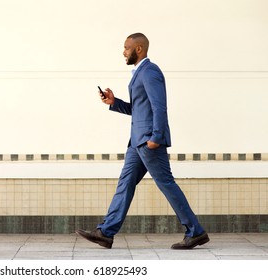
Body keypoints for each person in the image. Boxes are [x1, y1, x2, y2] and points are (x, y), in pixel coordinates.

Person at [76, 32, 209, 250]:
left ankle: (196, 232)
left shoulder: (150, 71)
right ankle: (105, 233)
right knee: (125, 183)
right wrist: (114, 102)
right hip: (137, 143)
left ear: (139, 49)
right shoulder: (139, 73)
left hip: (148, 141)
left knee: (166, 183)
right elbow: (139, 110)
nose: (123, 51)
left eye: (126, 47)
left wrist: (156, 137)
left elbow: (159, 106)